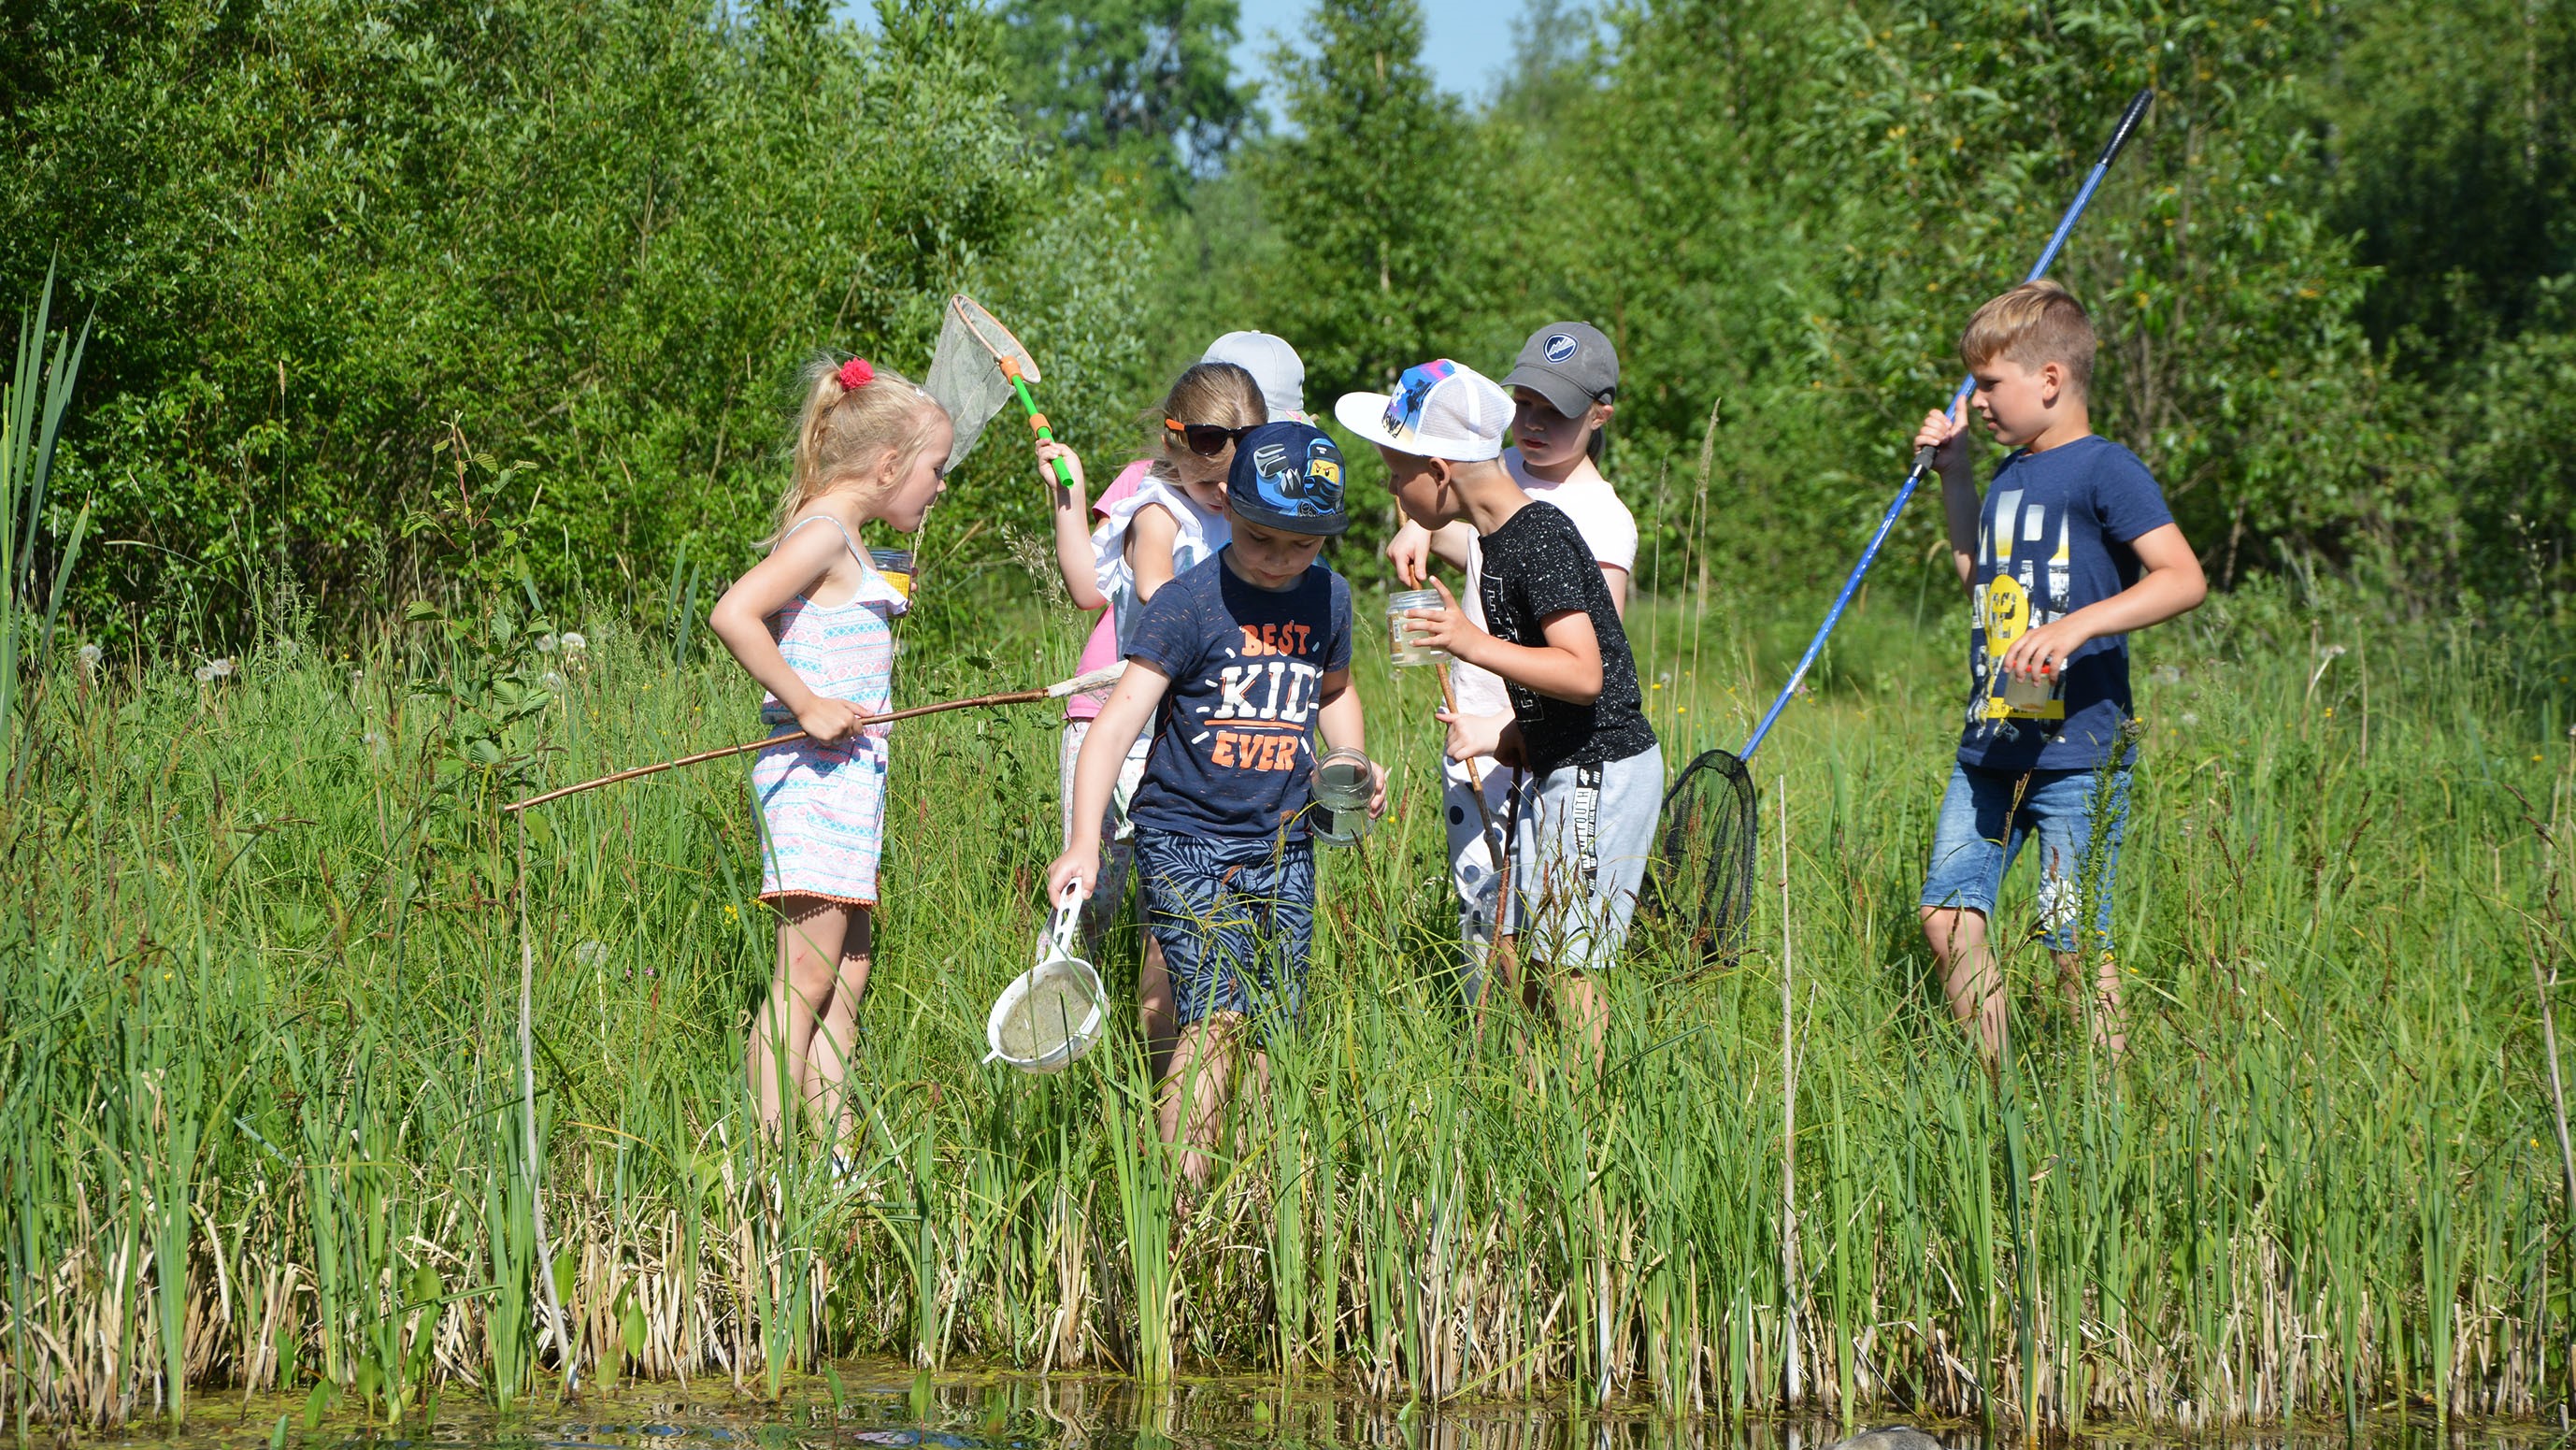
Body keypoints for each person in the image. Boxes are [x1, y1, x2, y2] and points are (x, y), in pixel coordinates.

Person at [1046, 421, 1381, 1184]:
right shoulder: (1189, 603)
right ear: (1227, 506)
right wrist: (1085, 841)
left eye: (1305, 545)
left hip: (1285, 839)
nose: (1282, 561)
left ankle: (1261, 1207)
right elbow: (1113, 727)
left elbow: (1336, 693)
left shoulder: (1329, 598)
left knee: (1272, 1028)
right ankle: (1181, 1204)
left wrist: (1351, 760)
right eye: (1265, 540)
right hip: (1185, 837)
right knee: (1213, 1021)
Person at [1909, 280, 2206, 1063]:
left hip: (2077, 754)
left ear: (2050, 379)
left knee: (2071, 944)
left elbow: (2182, 576)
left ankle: (2104, 1118)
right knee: (1948, 917)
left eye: (1988, 385)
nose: (1976, 400)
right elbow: (1982, 577)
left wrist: (2076, 627)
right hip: (1990, 747)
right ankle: (2001, 1097)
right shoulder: (2008, 474)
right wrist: (1957, 472)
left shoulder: (2106, 470)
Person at [1341, 361, 1660, 1060]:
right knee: (1522, 951)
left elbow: (1584, 673)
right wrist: (1520, 735)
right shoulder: (1500, 538)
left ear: (1440, 469)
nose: (1393, 490)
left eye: (1398, 473)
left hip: (1597, 770)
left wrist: (1467, 641)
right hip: (1559, 756)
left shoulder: (1536, 537)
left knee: (1569, 967)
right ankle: (1537, 1100)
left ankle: (1581, 1127)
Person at [708, 355, 952, 1143]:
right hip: (811, 784)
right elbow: (734, 612)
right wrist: (807, 703)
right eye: (934, 470)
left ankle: (836, 1161)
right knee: (803, 978)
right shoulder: (820, 534)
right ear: (887, 466)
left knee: (845, 983)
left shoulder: (848, 538)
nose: (941, 486)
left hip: (852, 790)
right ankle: (772, 1166)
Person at [1385, 323, 1634, 996]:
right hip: (1481, 730)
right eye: (1523, 403)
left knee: (1549, 940)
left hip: (1543, 741)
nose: (1533, 423)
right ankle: (1505, 1071)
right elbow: (1479, 543)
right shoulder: (1495, 485)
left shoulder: (1593, 518)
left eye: (1557, 412)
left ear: (1601, 413)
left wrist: (1501, 727)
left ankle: (1562, 1090)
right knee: (1487, 914)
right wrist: (1423, 524)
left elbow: (1587, 660)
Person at [1040, 359, 1265, 1078]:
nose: (1224, 496)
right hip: (1115, 725)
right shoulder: (1158, 506)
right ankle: (1063, 1043)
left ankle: (1160, 1063)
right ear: (1174, 451)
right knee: (1095, 898)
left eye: (1237, 481)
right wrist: (1066, 502)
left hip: (1184, 736)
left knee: (1173, 911)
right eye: (1210, 485)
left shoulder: (1245, 510)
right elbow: (1131, 585)